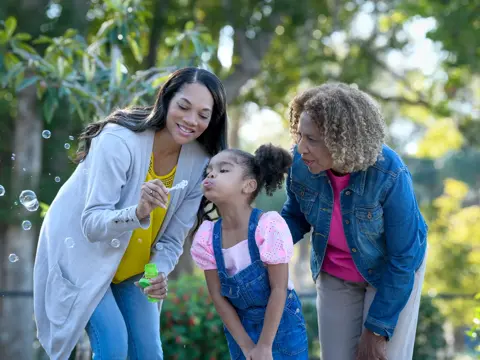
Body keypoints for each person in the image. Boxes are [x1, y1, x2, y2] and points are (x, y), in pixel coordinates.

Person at [33, 67, 228, 360]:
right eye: (184, 107)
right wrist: (138, 211)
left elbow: (172, 241)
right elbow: (91, 223)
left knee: (149, 353)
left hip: (135, 267)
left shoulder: (201, 163)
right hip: (84, 256)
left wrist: (158, 272)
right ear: (166, 101)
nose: (191, 121)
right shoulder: (118, 141)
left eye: (203, 114)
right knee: (113, 346)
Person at [281, 83, 428, 360]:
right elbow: (295, 216)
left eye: (312, 139)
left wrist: (377, 330)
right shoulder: (300, 165)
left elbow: (404, 257)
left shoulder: (389, 173)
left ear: (341, 141)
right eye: (300, 135)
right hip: (336, 271)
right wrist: (262, 240)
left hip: (390, 273)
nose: (301, 148)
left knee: (379, 355)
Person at [191, 144, 309, 360]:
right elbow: (217, 296)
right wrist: (246, 346)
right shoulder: (207, 236)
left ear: (248, 185)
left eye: (223, 170)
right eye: (209, 172)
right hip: (240, 330)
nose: (212, 174)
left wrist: (264, 346)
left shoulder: (268, 226)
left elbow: (279, 289)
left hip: (281, 326)